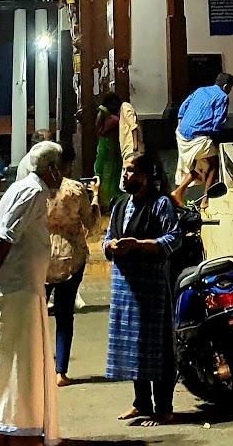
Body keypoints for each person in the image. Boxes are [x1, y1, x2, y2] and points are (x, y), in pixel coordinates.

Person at [0, 141, 66, 446]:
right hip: (18, 292)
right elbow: (3, 237)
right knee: (19, 366)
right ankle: (16, 429)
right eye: (61, 168)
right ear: (51, 168)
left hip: (17, 290)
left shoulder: (19, 188)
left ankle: (1, 429)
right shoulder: (34, 191)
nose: (63, 175)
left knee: (6, 364)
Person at [103, 152, 181, 426]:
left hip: (151, 288)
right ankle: (141, 402)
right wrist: (111, 247)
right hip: (125, 288)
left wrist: (140, 245)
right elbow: (108, 238)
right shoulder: (120, 205)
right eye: (124, 171)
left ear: (147, 176)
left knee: (156, 347)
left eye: (130, 171)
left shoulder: (161, 205)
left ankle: (163, 408)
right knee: (135, 346)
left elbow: (173, 239)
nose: (125, 176)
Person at [44, 145, 99, 387]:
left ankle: (37, 366)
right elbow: (92, 223)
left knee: (36, 315)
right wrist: (96, 195)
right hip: (71, 256)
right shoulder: (75, 190)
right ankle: (60, 371)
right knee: (65, 316)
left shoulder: (37, 189)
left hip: (42, 254)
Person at [172, 72, 233, 205]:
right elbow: (218, 122)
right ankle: (206, 200)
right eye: (230, 88)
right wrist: (214, 138)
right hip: (199, 137)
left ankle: (178, 192)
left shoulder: (200, 90)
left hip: (182, 134)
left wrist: (180, 125)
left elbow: (183, 107)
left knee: (199, 164)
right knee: (214, 164)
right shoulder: (222, 96)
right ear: (226, 86)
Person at [95, 94, 124, 204]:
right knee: (109, 174)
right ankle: (108, 200)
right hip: (109, 147)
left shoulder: (105, 113)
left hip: (106, 146)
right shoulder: (110, 117)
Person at [118, 94, 144, 167]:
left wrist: (135, 147)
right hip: (127, 149)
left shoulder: (125, 107)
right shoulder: (122, 110)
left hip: (131, 149)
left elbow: (133, 127)